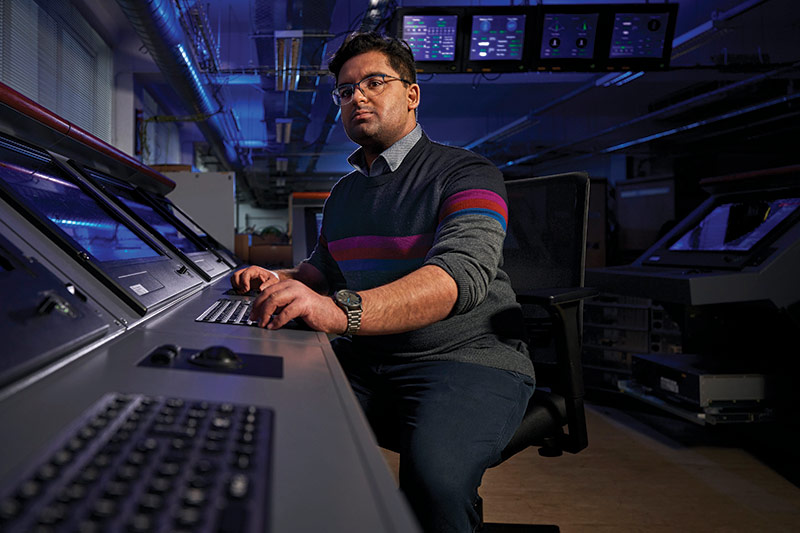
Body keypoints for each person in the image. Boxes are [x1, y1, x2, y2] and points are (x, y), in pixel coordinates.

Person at [230, 32, 535, 533]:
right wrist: (281, 280)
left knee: (434, 482)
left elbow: (460, 276)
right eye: (346, 92)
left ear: (412, 94)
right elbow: (321, 270)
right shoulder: (345, 194)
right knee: (264, 425)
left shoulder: (467, 173)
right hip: (371, 359)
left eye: (374, 82)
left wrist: (340, 312)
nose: (358, 98)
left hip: (464, 359)